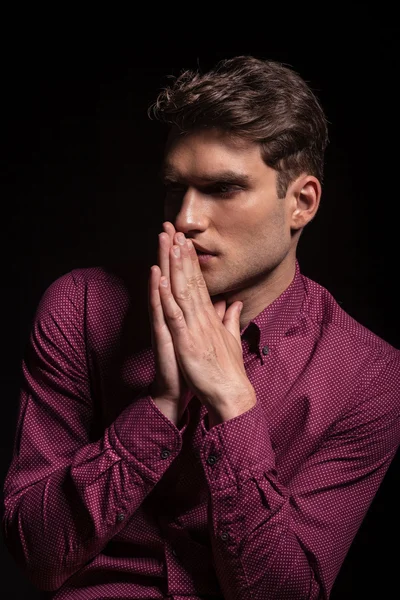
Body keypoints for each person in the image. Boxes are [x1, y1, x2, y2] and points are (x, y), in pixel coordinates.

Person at [2, 55, 399, 600]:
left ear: (301, 203)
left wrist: (233, 407)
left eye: (223, 188)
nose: (185, 218)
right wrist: (163, 406)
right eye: (175, 187)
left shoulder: (368, 376)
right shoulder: (81, 307)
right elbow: (34, 552)